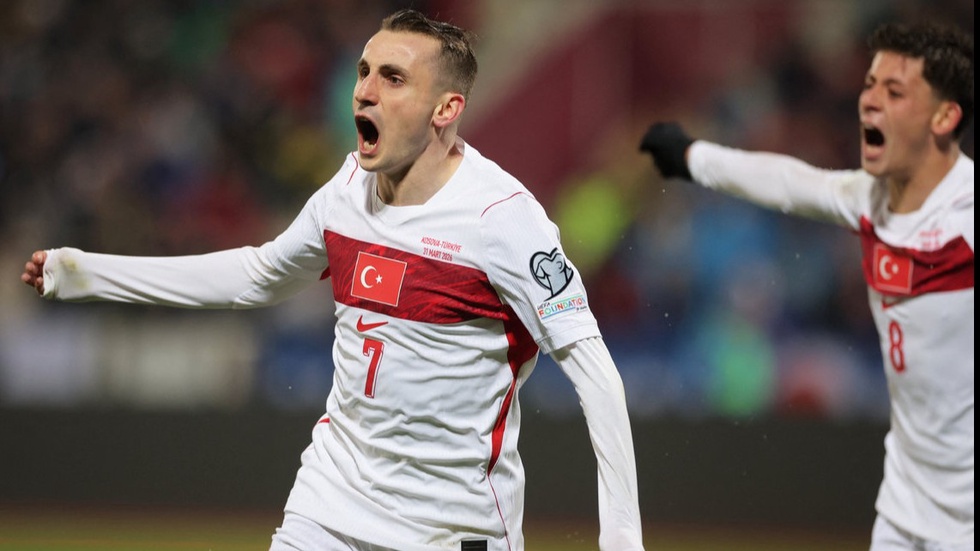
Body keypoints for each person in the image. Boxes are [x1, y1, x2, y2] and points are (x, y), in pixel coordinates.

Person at [21, 9, 645, 551]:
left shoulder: (503, 220)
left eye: (392, 78)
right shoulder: (346, 191)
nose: (364, 92)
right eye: (363, 71)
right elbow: (257, 276)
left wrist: (621, 538)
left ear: (446, 109)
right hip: (330, 503)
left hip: (451, 525)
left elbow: (597, 377)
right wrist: (85, 273)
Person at [639, 20, 973, 551]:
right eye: (869, 85)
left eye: (894, 92)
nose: (870, 101)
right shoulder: (869, 199)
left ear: (944, 117)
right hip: (903, 510)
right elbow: (789, 182)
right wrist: (691, 157)